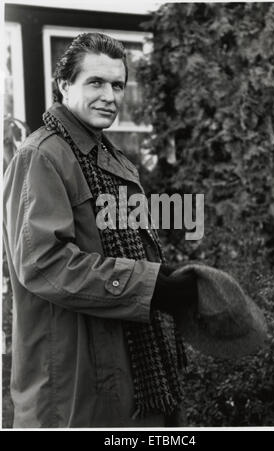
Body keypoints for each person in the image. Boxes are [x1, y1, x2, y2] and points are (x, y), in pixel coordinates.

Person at [3, 32, 197, 428]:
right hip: (77, 382)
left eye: (118, 84)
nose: (110, 95)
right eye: (95, 82)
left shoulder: (114, 160)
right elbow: (44, 264)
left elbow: (133, 254)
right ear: (63, 85)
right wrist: (149, 285)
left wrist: (165, 279)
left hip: (134, 368)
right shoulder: (41, 157)